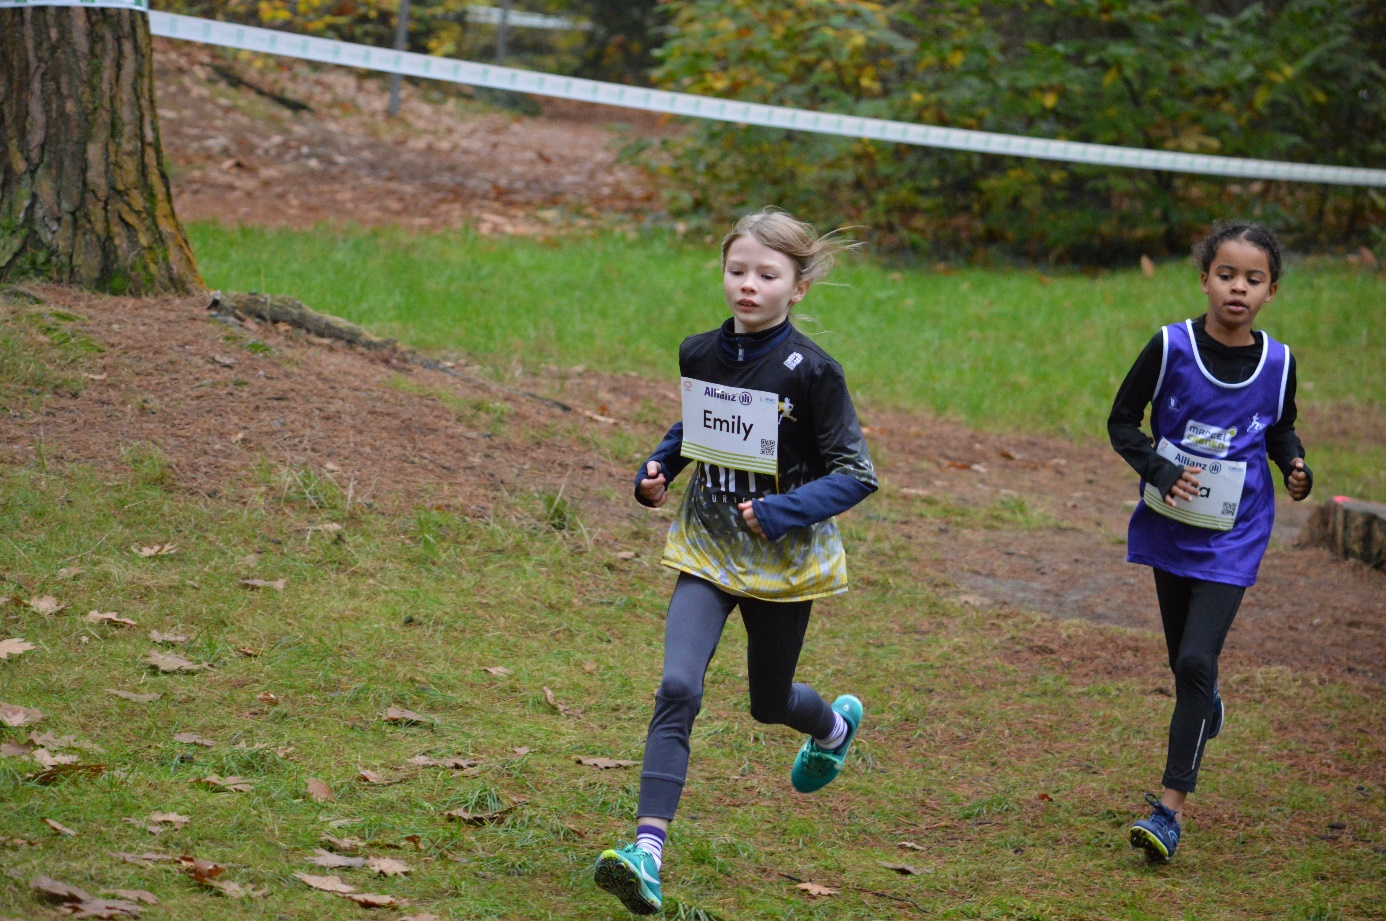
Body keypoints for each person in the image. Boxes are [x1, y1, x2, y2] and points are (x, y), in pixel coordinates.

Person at [593, 208, 878, 914]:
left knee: (767, 701)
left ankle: (832, 727)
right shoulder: (700, 351)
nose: (748, 285)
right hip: (709, 549)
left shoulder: (815, 372)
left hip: (784, 565)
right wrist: (657, 467)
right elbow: (698, 424)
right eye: (737, 270)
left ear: (798, 286)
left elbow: (857, 473)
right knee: (678, 686)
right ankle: (647, 852)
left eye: (766, 274)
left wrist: (784, 510)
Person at [1108, 222, 1313, 863]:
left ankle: (1169, 811)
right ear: (1205, 279)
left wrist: (1296, 464)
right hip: (1172, 525)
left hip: (1236, 534)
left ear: (1270, 291)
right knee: (1185, 667)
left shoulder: (1278, 363)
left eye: (1253, 279)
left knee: (1196, 663)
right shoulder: (1170, 347)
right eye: (1227, 275)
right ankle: (1205, 710)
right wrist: (1161, 470)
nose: (1238, 288)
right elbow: (1121, 422)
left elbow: (1279, 429)